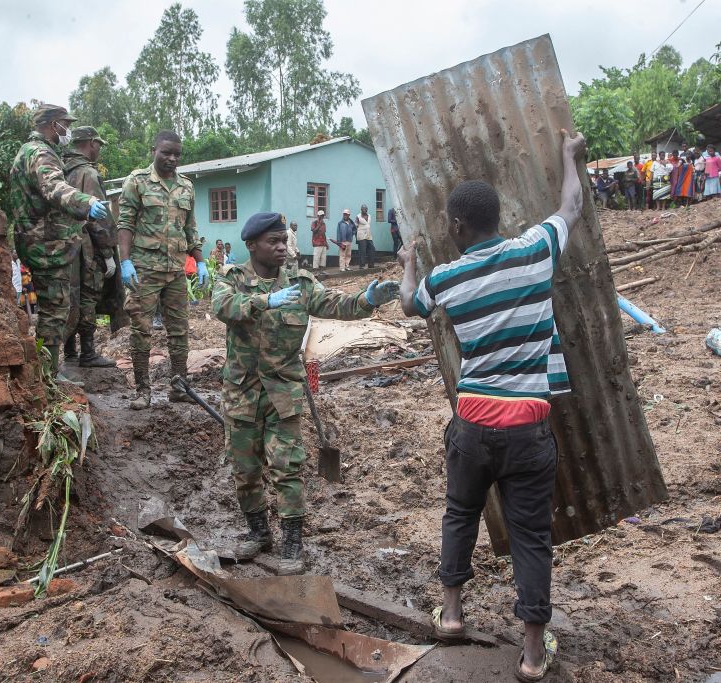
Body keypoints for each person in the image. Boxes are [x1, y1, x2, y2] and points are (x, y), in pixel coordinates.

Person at [397, 129, 586, 681]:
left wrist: (409, 259)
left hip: (473, 424)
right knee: (530, 536)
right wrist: (567, 154)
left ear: (457, 226)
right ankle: (531, 654)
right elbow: (570, 206)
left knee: (460, 514)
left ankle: (451, 616)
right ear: (496, 217)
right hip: (529, 427)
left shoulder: (446, 278)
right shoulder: (535, 248)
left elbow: (411, 304)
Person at [212, 212, 400, 575]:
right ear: (251, 246)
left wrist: (368, 299)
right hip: (242, 393)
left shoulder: (300, 283)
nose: (282, 247)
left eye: (284, 240)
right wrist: (263, 302)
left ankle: (292, 544)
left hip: (283, 392)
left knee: (287, 468)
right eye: (273, 241)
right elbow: (221, 307)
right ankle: (258, 533)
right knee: (245, 468)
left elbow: (336, 305)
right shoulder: (232, 278)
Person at [9, 103, 110, 381]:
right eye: (66, 123)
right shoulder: (41, 153)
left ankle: (48, 371)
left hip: (38, 241)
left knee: (54, 309)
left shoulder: (28, 151)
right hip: (46, 245)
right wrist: (86, 202)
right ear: (54, 125)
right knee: (55, 310)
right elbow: (53, 187)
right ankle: (49, 375)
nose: (68, 129)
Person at [117, 130, 208, 410]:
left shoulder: (186, 186)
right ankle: (143, 391)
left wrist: (200, 260)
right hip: (144, 269)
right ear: (153, 150)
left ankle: (179, 387)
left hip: (175, 270)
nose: (171, 158)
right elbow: (125, 224)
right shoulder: (137, 181)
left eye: (177, 155)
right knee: (141, 329)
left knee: (179, 330)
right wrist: (125, 261)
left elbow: (190, 227)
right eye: (166, 152)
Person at [61, 126, 118, 369]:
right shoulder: (88, 174)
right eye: (99, 145)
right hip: (87, 249)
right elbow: (100, 220)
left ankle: (70, 352)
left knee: (69, 297)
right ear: (91, 143)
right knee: (88, 297)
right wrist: (107, 254)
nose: (99, 150)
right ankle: (88, 352)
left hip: (64, 247)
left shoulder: (60, 171)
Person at [355, 204, 375, 269]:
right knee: (362, 251)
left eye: (365, 209)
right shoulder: (358, 217)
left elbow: (368, 224)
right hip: (361, 235)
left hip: (369, 235)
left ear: (367, 209)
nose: (364, 210)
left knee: (372, 249)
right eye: (363, 209)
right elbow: (356, 226)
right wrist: (356, 237)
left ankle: (371, 264)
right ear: (361, 210)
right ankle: (362, 265)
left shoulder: (369, 216)